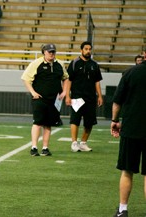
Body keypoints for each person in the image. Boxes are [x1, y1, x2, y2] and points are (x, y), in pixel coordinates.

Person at [110, 60, 146, 217]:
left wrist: (114, 121)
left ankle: (123, 209)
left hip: (131, 128)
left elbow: (117, 101)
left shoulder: (130, 73)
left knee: (126, 171)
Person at [21, 43, 69, 157]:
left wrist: (65, 91)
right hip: (40, 98)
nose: (52, 54)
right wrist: (33, 92)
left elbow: (66, 78)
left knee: (48, 124)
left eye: (53, 52)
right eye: (49, 52)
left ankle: (45, 148)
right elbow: (26, 79)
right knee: (37, 122)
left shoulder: (60, 64)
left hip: (54, 99)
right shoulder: (36, 63)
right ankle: (34, 147)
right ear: (44, 52)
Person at [65, 41, 103, 152]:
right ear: (81, 50)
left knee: (89, 122)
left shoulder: (94, 65)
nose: (88, 51)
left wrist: (100, 96)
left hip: (91, 97)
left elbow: (97, 82)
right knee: (75, 120)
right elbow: (69, 80)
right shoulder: (74, 63)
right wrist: (67, 95)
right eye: (86, 49)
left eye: (89, 49)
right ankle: (74, 143)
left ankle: (83, 143)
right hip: (77, 97)